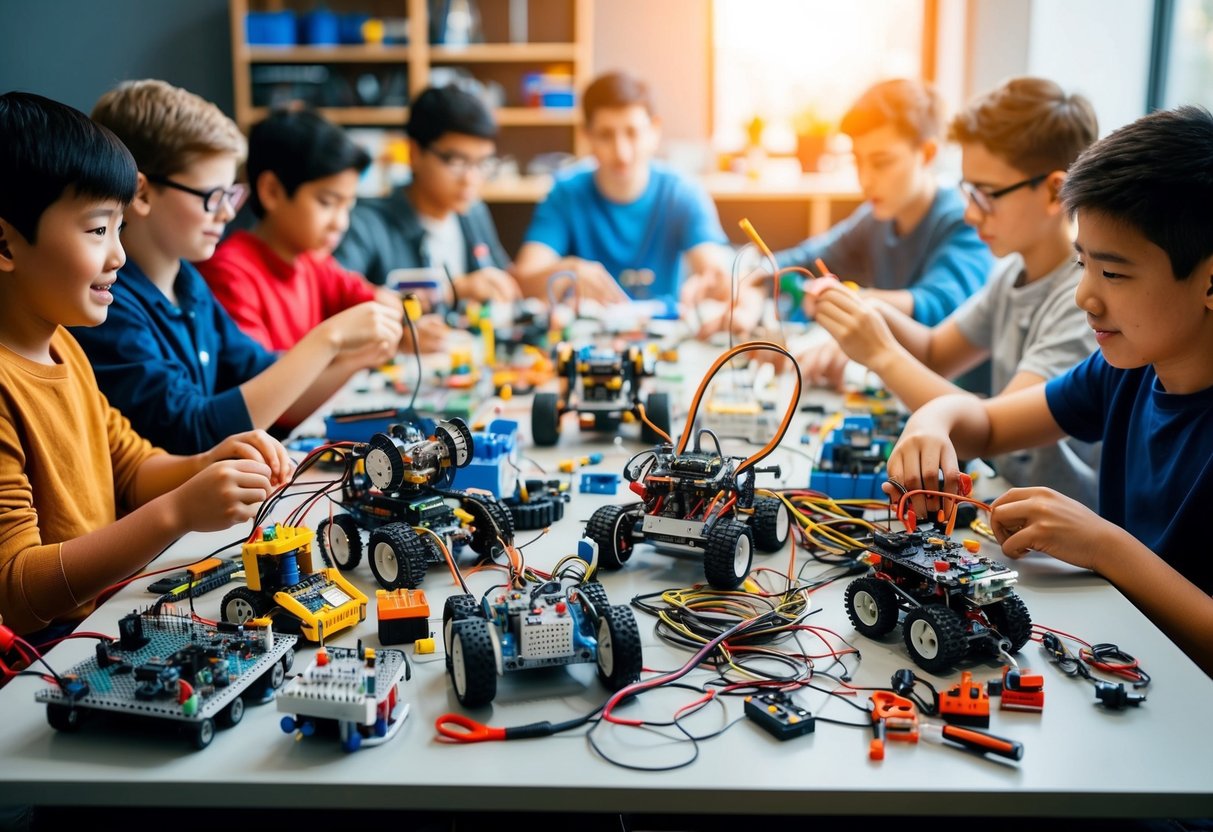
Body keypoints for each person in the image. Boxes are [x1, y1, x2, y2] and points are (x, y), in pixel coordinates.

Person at [884, 104, 1213, 677]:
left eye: (1112, 273)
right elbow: (986, 422)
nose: (1086, 295)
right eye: (1083, 263)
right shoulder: (1125, 371)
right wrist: (932, 424)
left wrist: (1107, 548)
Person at [0, 91, 291, 639]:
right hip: (44, 663)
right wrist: (178, 512)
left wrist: (209, 461)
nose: (118, 255)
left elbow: (131, 467)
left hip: (106, 622)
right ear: (5, 242)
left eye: (117, 227)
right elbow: (17, 589)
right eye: (96, 230)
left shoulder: (64, 345)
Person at [802, 77, 1100, 506]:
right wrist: (866, 308)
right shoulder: (1012, 272)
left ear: (1055, 191)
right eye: (967, 190)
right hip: (1007, 501)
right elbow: (936, 351)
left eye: (987, 194)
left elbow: (994, 433)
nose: (969, 211)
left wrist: (881, 354)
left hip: (1062, 545)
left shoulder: (1081, 303)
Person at [73, 79, 403, 455]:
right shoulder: (107, 306)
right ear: (143, 193)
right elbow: (192, 432)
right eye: (213, 197)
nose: (229, 212)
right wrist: (330, 339)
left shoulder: (188, 284)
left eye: (231, 194)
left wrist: (359, 352)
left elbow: (266, 377)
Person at [734, 79, 994, 381]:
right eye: (857, 161)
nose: (866, 179)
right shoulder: (875, 218)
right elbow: (804, 258)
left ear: (927, 153)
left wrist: (853, 301)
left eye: (881, 163)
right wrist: (750, 282)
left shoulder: (965, 222)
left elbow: (937, 305)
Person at [199, 108, 444, 352]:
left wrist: (407, 323)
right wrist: (359, 352)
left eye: (349, 205)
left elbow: (373, 299)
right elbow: (264, 382)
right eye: (327, 202)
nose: (341, 223)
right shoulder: (230, 275)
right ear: (271, 191)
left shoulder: (311, 261)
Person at [511, 70, 731, 314]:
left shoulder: (683, 193)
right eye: (606, 135)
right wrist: (569, 271)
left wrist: (713, 283)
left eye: (632, 132)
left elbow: (716, 270)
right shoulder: (565, 194)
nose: (622, 152)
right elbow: (524, 280)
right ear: (587, 136)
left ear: (654, 130)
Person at [333, 84, 520, 307]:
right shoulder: (367, 224)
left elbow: (503, 279)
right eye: (457, 161)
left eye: (481, 163)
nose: (470, 178)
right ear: (414, 153)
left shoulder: (473, 213)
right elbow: (334, 299)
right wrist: (450, 292)